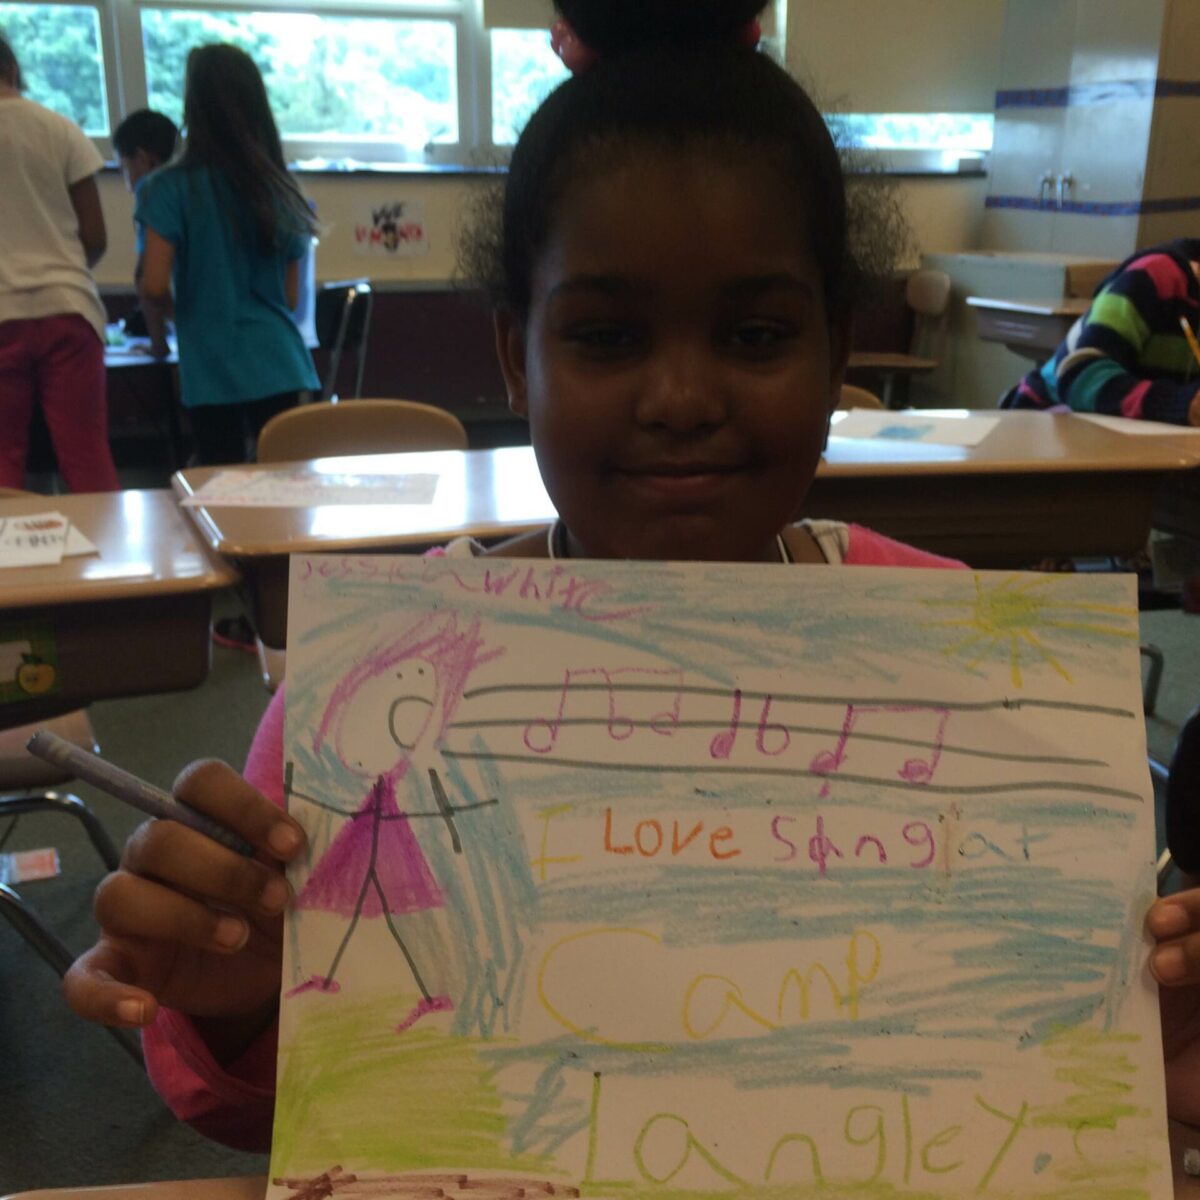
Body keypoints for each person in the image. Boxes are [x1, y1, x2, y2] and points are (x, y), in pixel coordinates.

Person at [61, 0, 1200, 1154]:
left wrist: (1153, 1025)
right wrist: (243, 988)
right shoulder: (374, 696)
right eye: (606, 337)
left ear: (836, 353)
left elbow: (1060, 1082)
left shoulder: (965, 663)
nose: (682, 398)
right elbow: (262, 1107)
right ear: (516, 352)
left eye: (755, 336)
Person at [136, 44, 319, 466]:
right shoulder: (280, 187)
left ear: (193, 105)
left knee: (221, 489)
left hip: (211, 364)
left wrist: (183, 316)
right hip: (280, 360)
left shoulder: (167, 187)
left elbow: (154, 284)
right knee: (287, 488)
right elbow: (288, 300)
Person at [0, 31, 119, 492]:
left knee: (4, 457)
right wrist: (61, 265)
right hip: (69, 309)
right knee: (86, 452)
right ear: (14, 71)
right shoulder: (59, 127)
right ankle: (116, 559)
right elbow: (95, 235)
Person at [1003, 238, 1200, 426]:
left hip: (1142, 440)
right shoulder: (1153, 275)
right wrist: (1180, 404)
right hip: (1042, 420)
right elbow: (1080, 375)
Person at [112, 108, 179, 356]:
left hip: (198, 332)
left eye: (123, 166)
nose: (124, 177)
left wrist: (158, 345)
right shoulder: (193, 187)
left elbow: (147, 280)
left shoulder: (151, 192)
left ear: (141, 159)